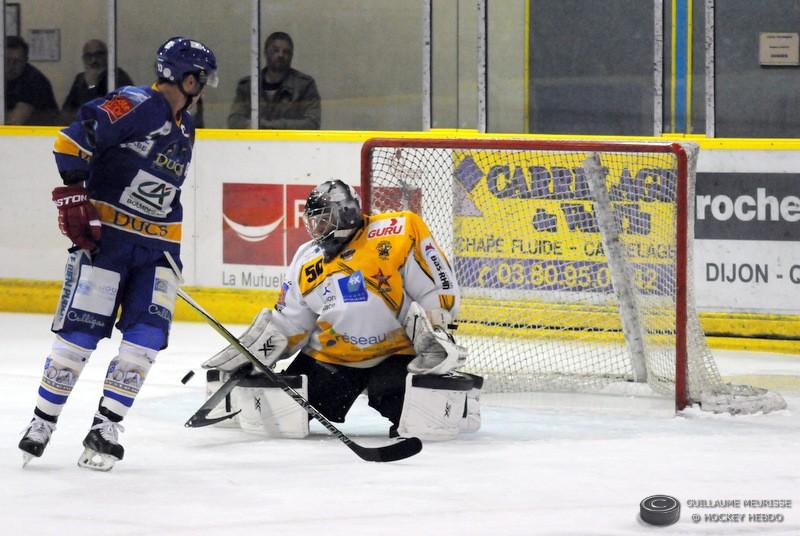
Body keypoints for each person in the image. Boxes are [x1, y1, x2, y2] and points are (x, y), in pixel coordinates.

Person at [18, 36, 218, 471]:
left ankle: (105, 428)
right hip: (109, 243)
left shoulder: (185, 125)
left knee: (146, 338)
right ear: (187, 79)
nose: (204, 89)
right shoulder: (137, 104)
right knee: (81, 335)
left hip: (159, 248)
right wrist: (72, 196)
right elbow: (70, 144)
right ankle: (42, 422)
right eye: (202, 80)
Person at [202, 180, 482, 441]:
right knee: (281, 407)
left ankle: (459, 403)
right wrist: (258, 350)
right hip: (333, 357)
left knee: (421, 417)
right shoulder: (306, 258)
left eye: (324, 219)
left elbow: (438, 284)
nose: (317, 228)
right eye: (314, 221)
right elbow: (291, 323)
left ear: (346, 213)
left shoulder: (397, 231)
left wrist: (437, 326)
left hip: (397, 354)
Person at [227, 31, 321, 129]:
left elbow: (312, 123)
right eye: (275, 50)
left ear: (291, 56)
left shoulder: (305, 86)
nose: (280, 55)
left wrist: (263, 126)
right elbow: (234, 121)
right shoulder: (248, 86)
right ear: (265, 53)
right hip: (254, 143)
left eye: (286, 52)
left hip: (290, 143)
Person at [60, 39, 134, 123]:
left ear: (107, 56)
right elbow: (66, 113)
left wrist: (92, 86)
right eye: (89, 56)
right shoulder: (80, 79)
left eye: (98, 55)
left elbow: (124, 110)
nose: (94, 60)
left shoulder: (117, 76)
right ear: (84, 59)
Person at [4, 35, 58, 125]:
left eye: (17, 61)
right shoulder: (3, 78)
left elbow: (14, 121)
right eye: (7, 60)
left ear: (26, 61)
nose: (11, 66)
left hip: (42, 135)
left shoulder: (34, 81)